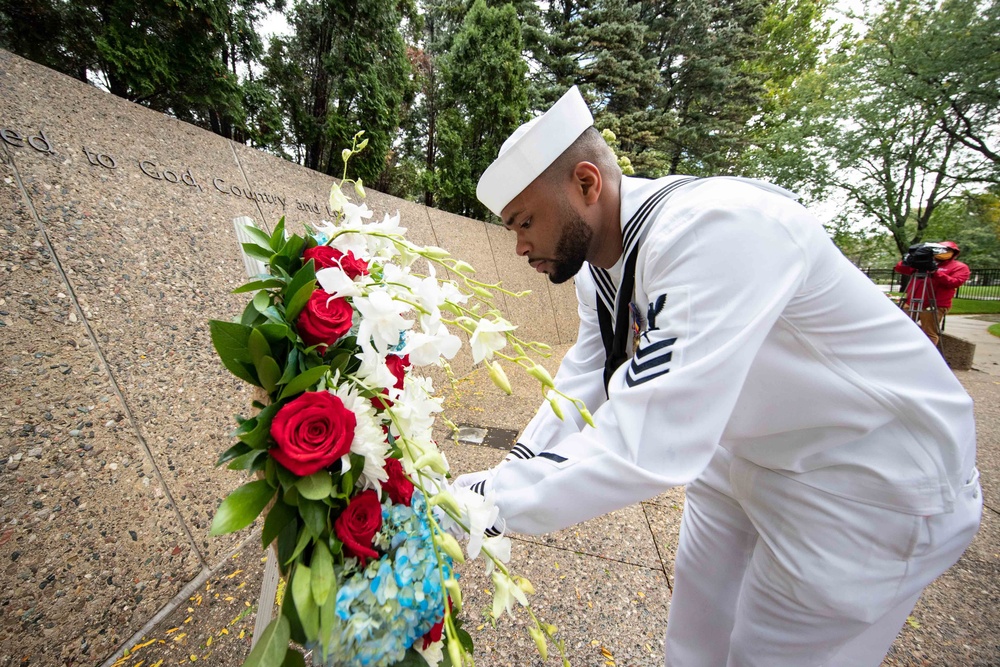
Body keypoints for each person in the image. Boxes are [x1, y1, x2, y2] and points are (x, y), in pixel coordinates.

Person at [456, 86, 981, 666]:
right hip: (741, 452)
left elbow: (645, 440)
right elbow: (584, 377)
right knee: (693, 642)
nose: (519, 244)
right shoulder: (596, 267)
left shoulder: (709, 230)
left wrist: (474, 504)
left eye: (525, 220)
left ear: (587, 183)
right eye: (511, 227)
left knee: (767, 654)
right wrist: (509, 472)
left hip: (865, 475)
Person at [894, 241, 971, 346]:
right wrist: (909, 258)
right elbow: (900, 268)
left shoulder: (959, 267)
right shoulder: (922, 262)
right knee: (899, 330)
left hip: (935, 304)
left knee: (929, 333)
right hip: (912, 302)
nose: (944, 252)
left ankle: (926, 358)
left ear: (954, 253)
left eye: (948, 250)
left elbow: (955, 282)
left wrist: (935, 272)